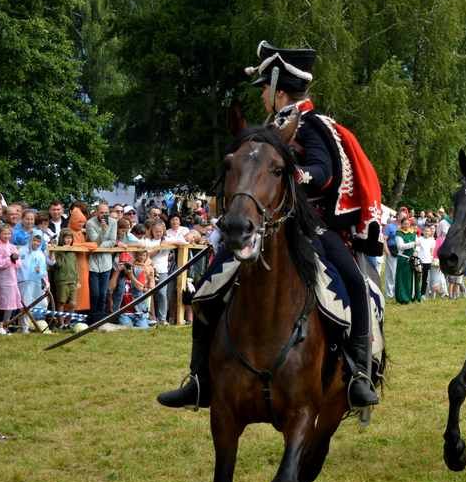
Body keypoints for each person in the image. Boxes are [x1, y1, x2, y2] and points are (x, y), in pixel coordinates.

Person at [159, 42, 382, 410]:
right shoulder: (265, 131)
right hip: (266, 228)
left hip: (313, 229)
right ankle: (199, 379)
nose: (262, 96)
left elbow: (325, 174)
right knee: (208, 288)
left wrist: (290, 173)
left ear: (279, 91)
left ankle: (358, 374)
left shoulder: (312, 125)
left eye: (264, 89)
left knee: (356, 286)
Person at [84, 201, 117, 323]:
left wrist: (102, 245)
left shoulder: (113, 222)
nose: (104, 215)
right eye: (102, 212)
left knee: (103, 294)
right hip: (93, 263)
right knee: (95, 294)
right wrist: (103, 231)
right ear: (97, 212)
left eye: (106, 213)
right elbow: (94, 243)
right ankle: (93, 319)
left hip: (106, 262)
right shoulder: (90, 223)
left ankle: (101, 320)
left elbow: (113, 241)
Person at [0, 224, 22, 329]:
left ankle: (6, 325)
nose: (7, 236)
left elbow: (18, 264)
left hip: (12, 279)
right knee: (2, 302)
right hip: (1, 280)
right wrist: (10, 259)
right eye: (4, 233)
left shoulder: (12, 247)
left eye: (9, 233)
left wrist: (15, 259)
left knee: (11, 302)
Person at [50, 229, 79, 328]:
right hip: (62, 280)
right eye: (66, 238)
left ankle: (68, 322)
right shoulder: (59, 251)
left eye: (70, 238)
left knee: (73, 303)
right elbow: (57, 264)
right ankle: (61, 323)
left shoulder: (73, 251)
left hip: (73, 280)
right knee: (61, 302)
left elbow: (75, 266)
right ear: (62, 239)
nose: (68, 240)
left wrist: (77, 280)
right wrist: (59, 251)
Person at [394, 217, 419, 304]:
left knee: (411, 279)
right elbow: (400, 246)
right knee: (402, 279)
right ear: (401, 224)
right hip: (403, 259)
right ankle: (402, 298)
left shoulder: (413, 233)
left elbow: (418, 244)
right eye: (405, 223)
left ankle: (411, 296)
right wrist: (413, 244)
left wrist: (416, 251)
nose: (406, 225)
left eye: (408, 223)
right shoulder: (399, 234)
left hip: (412, 259)